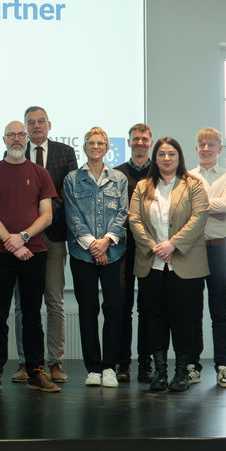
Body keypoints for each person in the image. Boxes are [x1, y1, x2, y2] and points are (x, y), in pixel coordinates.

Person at [0, 120, 60, 394]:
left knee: (32, 315)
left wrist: (22, 237)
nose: (16, 139)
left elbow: (47, 216)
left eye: (20, 134)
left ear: (26, 139)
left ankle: (36, 371)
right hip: (0, 254)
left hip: (34, 253)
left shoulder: (40, 173)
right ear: (3, 140)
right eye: (11, 135)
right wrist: (11, 243)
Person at [129, 136, 209, 393]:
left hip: (185, 263)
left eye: (171, 154)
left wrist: (173, 244)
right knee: (155, 319)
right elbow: (134, 219)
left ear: (179, 157)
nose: (166, 158)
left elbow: (199, 217)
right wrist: (154, 246)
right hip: (152, 263)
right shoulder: (143, 186)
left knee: (184, 319)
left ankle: (182, 373)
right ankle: (161, 373)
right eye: (161, 154)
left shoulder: (193, 184)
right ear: (155, 158)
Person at [11, 106, 77, 384]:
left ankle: (55, 362)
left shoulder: (65, 152)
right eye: (31, 122)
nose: (36, 126)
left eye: (40, 121)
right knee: (22, 304)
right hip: (22, 239)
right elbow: (11, 196)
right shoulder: (15, 151)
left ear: (49, 124)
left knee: (54, 301)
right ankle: (25, 362)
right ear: (25, 128)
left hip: (53, 235)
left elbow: (68, 193)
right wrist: (28, 226)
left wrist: (43, 217)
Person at [64, 127, 128, 387]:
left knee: (114, 307)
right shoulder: (72, 179)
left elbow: (123, 213)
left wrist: (105, 242)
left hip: (114, 252)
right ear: (84, 147)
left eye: (100, 143)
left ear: (107, 148)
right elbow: (72, 215)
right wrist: (93, 245)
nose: (95, 146)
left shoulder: (119, 179)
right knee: (88, 309)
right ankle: (93, 369)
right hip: (82, 254)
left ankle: (109, 367)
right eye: (91, 142)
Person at [189, 127, 226, 388]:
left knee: (219, 311)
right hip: (193, 249)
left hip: (218, 249)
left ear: (220, 148)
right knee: (193, 311)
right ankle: (192, 366)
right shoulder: (187, 177)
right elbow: (185, 210)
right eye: (202, 144)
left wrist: (198, 206)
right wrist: (213, 208)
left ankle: (223, 366)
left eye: (211, 144)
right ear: (196, 149)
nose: (206, 148)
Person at [114, 123, 154, 382]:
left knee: (147, 308)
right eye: (135, 139)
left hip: (150, 247)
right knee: (123, 307)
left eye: (144, 139)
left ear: (150, 142)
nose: (140, 142)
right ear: (128, 143)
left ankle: (145, 365)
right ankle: (123, 364)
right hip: (123, 248)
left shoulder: (159, 171)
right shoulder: (117, 173)